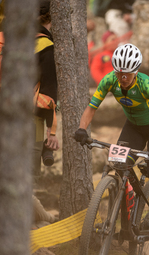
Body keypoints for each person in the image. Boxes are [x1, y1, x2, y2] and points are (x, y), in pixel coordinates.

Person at [75, 43, 149, 242]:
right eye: (120, 73)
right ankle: (124, 224)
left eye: (127, 74)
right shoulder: (109, 81)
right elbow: (92, 108)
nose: (123, 78)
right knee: (120, 167)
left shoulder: (146, 84)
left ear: (135, 71)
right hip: (133, 127)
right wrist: (81, 129)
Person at [32, 0, 59, 227]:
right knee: (24, 183)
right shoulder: (45, 47)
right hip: (30, 121)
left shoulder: (9, 39)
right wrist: (51, 131)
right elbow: (48, 96)